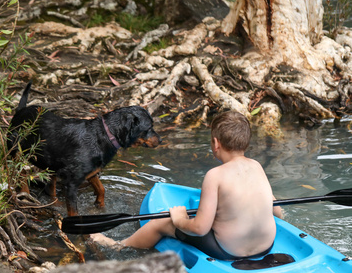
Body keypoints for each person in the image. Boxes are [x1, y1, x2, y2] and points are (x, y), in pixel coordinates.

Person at [91, 111, 283, 260]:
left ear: (215, 144)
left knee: (160, 221)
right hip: (267, 245)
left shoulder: (214, 176)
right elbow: (278, 212)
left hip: (230, 251)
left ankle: (118, 246)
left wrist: (179, 219)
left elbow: (199, 228)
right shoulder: (256, 166)